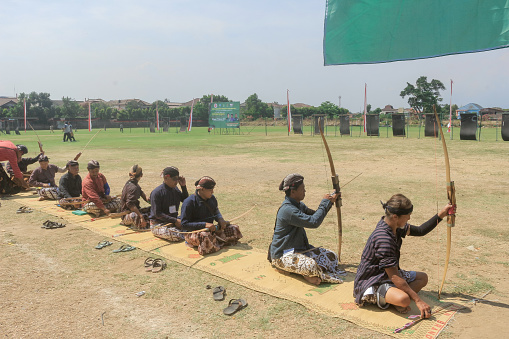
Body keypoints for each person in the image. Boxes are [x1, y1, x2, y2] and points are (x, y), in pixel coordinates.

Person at [353, 194, 454, 319]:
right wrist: (418, 300)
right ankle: (395, 299)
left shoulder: (395, 226)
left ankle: (393, 298)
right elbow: (394, 276)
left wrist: (442, 214)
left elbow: (421, 230)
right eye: (407, 216)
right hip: (373, 281)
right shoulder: (383, 238)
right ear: (395, 216)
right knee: (404, 299)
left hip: (387, 275)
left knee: (422, 278)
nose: (409, 218)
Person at [268, 173, 345, 285]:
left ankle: (307, 271)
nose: (305, 191)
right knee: (311, 266)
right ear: (293, 192)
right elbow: (313, 222)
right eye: (302, 189)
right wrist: (326, 202)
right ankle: (300, 272)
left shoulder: (298, 205)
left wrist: (330, 201)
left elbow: (314, 216)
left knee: (332, 257)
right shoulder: (288, 210)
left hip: (300, 251)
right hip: (283, 255)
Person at [180, 176, 242, 255]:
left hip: (211, 230)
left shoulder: (212, 198)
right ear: (202, 189)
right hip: (194, 233)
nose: (212, 192)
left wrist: (220, 219)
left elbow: (215, 210)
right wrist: (204, 225)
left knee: (234, 229)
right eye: (210, 190)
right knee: (205, 236)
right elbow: (184, 224)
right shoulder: (189, 202)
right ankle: (213, 242)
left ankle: (215, 242)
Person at [149, 166, 188, 241]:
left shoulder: (175, 189)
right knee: (177, 235)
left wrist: (183, 187)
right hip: (159, 224)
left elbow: (185, 201)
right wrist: (175, 221)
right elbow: (157, 214)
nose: (176, 182)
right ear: (166, 178)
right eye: (174, 179)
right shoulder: (157, 193)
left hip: (173, 221)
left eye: (177, 179)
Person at [119, 165, 150, 230]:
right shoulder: (133, 187)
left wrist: (152, 202)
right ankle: (131, 223)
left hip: (133, 211)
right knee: (136, 216)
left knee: (151, 209)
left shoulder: (134, 184)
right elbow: (129, 204)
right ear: (141, 175)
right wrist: (141, 216)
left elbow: (144, 196)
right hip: (127, 214)